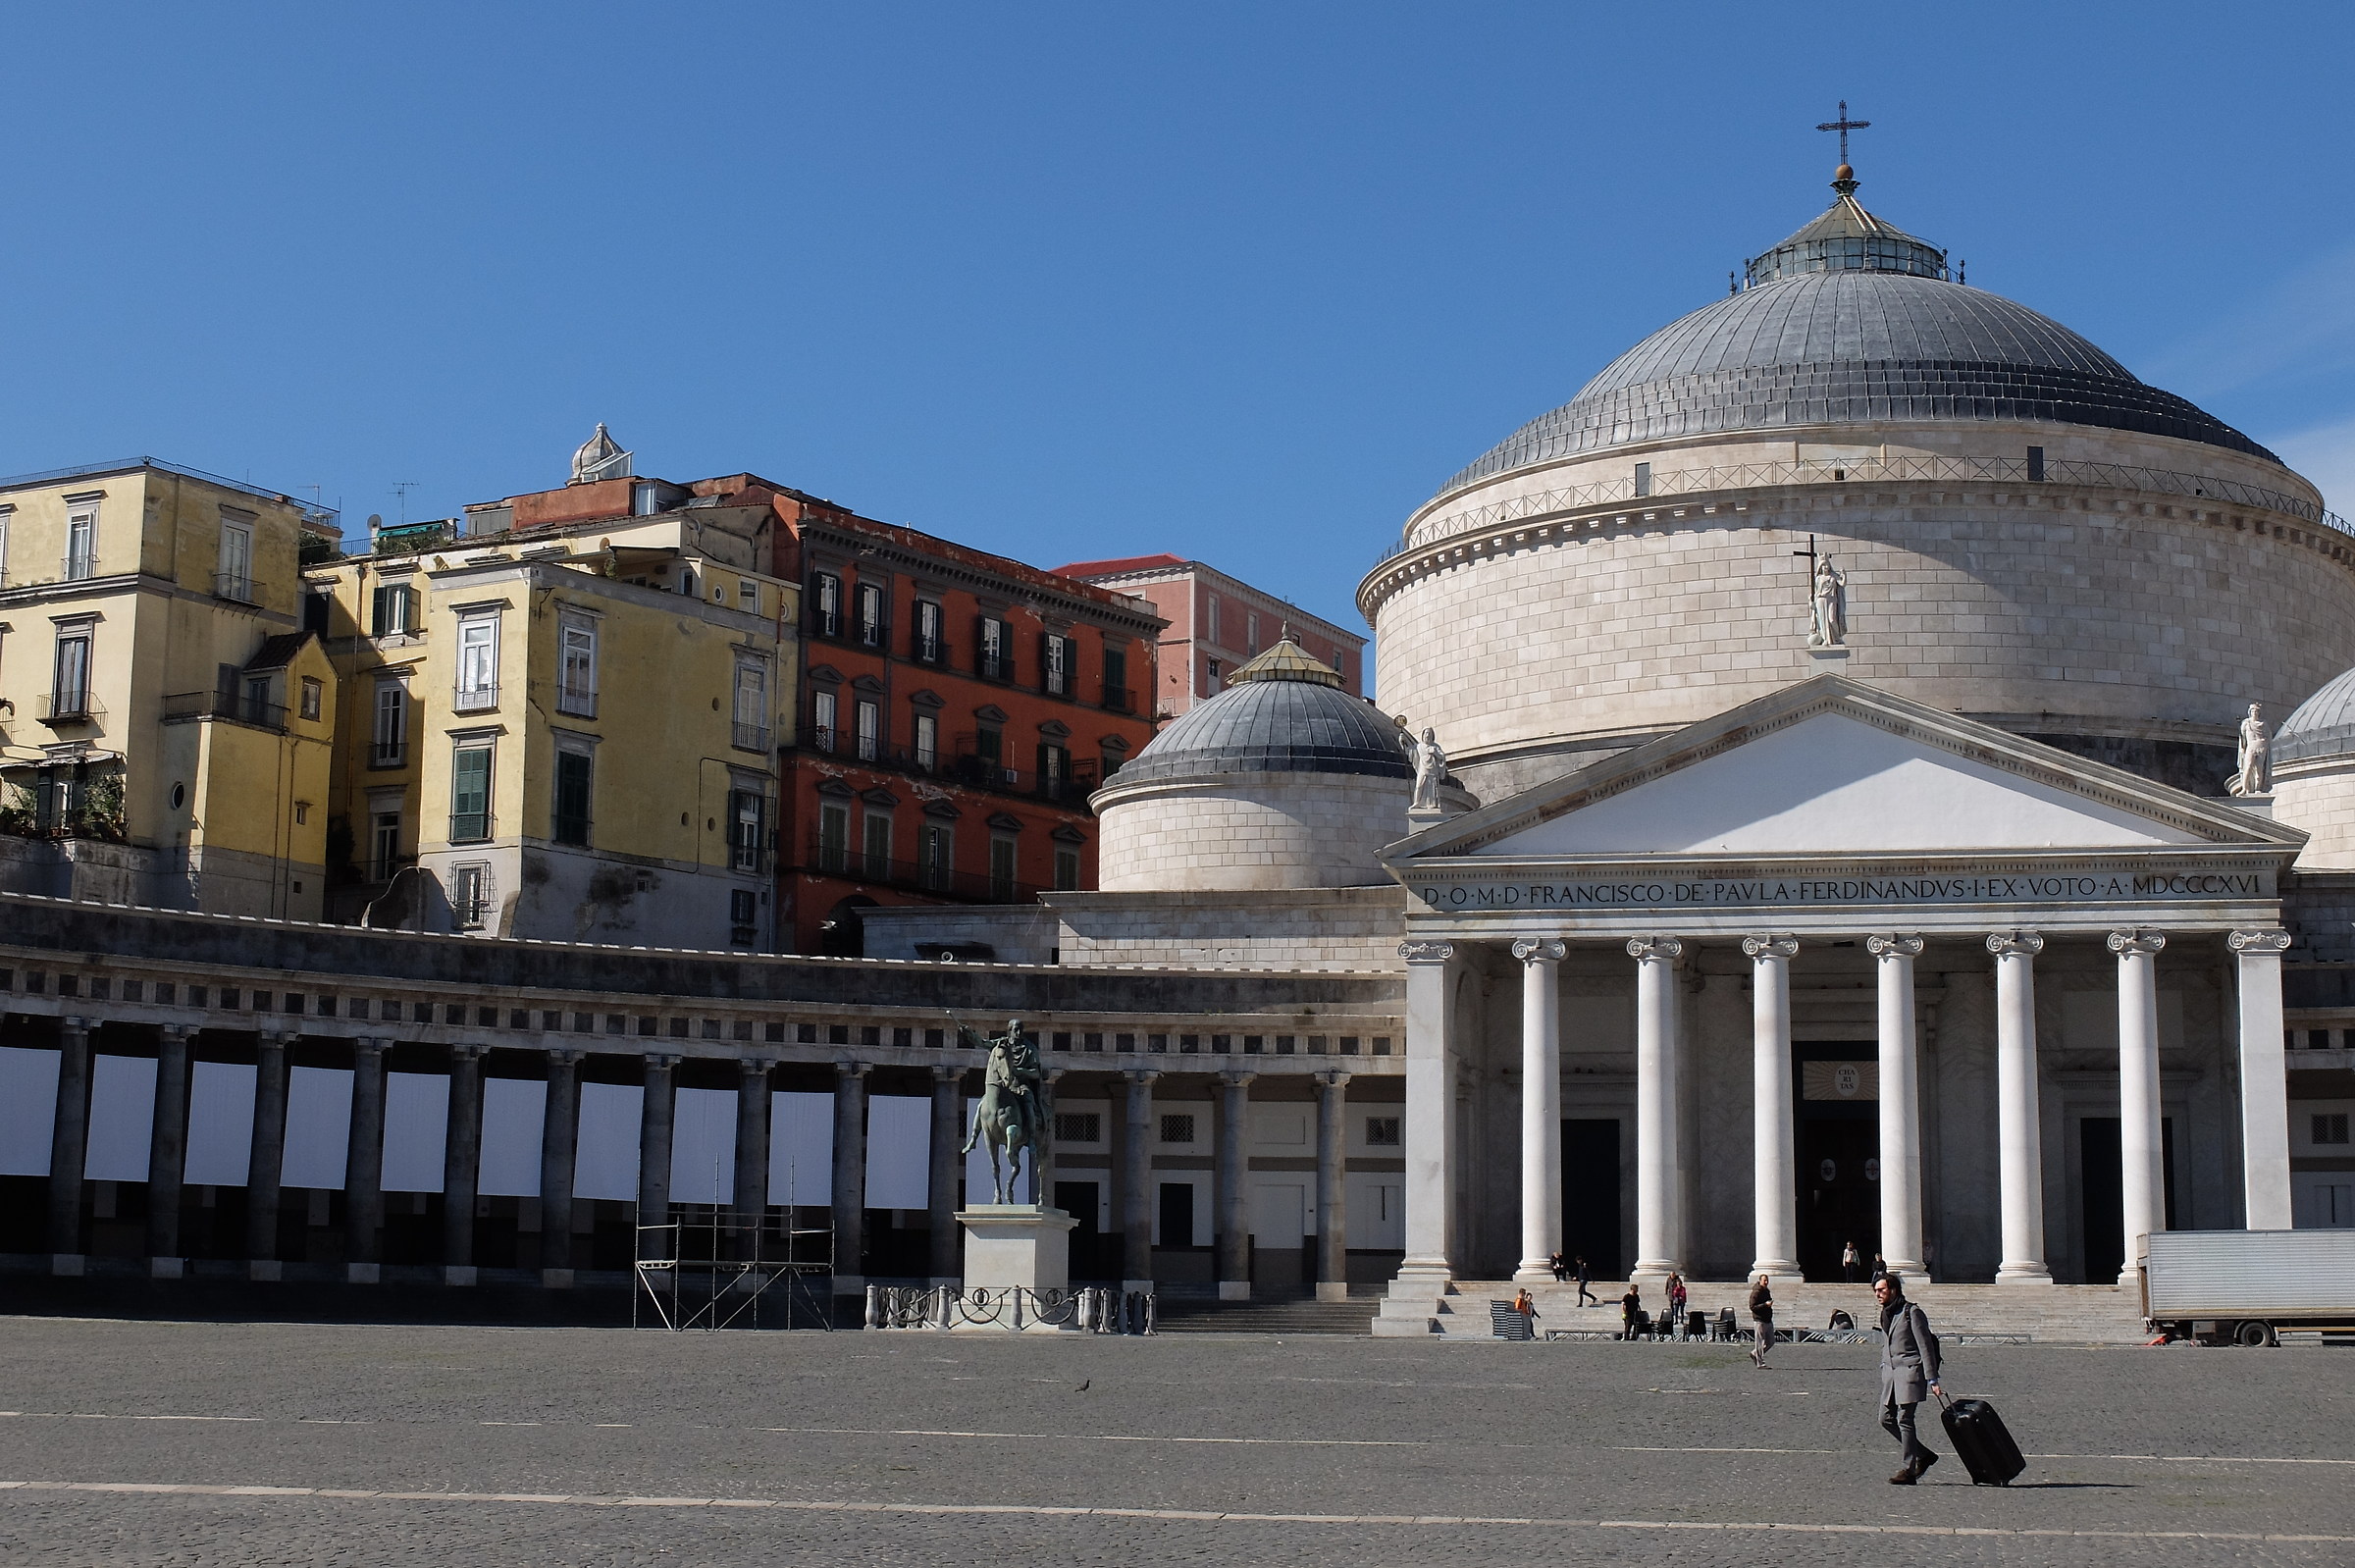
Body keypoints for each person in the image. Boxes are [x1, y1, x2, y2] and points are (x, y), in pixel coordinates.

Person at [1874, 1273, 1944, 1484]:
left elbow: (1926, 1347)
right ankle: (1924, 1455)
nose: (1877, 1294)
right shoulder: (1887, 1313)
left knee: (1905, 1420)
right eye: (1875, 1290)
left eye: (1881, 1290)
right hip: (1891, 1376)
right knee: (1885, 1419)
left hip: (1911, 1373)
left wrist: (1933, 1379)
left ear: (1893, 1290)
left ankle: (1909, 1469)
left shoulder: (1912, 1312)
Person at [1749, 1273, 1775, 1368]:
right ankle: (1760, 1363)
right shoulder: (1756, 1292)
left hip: (1767, 1319)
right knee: (1759, 1342)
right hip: (1759, 1320)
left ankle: (1754, 1353)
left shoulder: (1766, 1291)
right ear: (1760, 1281)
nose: (1766, 1282)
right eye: (1765, 1280)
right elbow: (1752, 1306)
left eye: (1767, 1280)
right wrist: (1765, 1305)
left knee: (1771, 1341)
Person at [1666, 1273, 1689, 1338]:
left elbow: (1683, 1294)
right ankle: (1675, 1320)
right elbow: (1674, 1293)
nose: (1678, 1285)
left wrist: (1680, 1296)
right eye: (1678, 1284)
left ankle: (1681, 1320)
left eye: (1679, 1284)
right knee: (1676, 1311)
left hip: (1682, 1301)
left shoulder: (1683, 1288)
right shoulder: (1675, 1288)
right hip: (1676, 1301)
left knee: (1681, 1311)